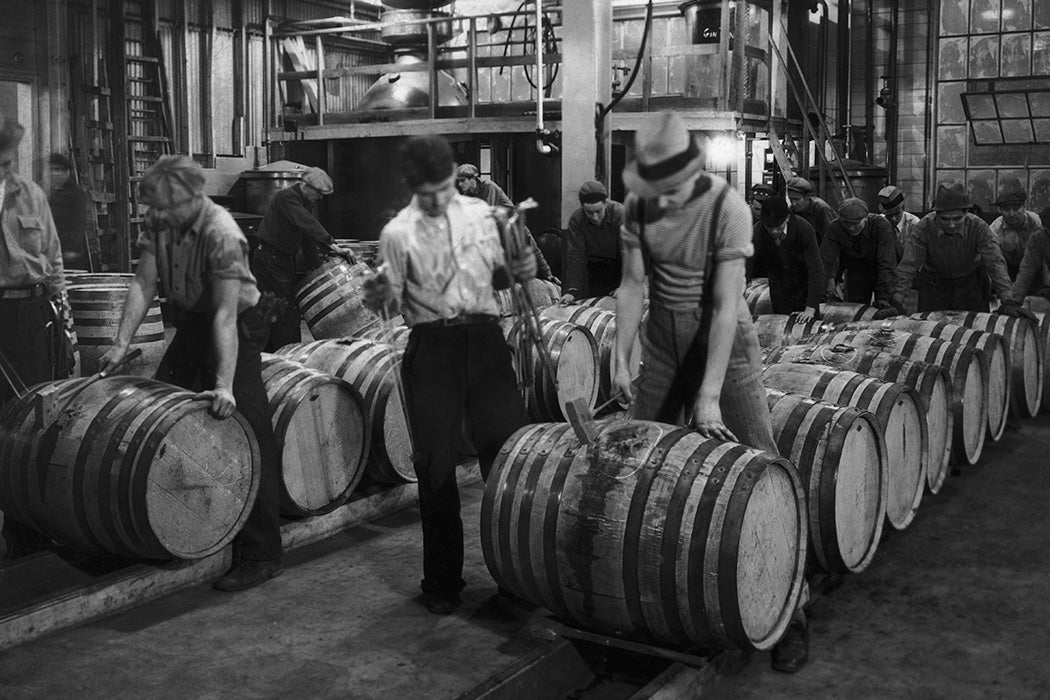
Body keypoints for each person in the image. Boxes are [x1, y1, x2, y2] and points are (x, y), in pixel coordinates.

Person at [611, 111, 809, 674]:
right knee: (643, 469)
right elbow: (630, 285)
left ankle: (792, 611)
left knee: (763, 464)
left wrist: (708, 395)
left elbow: (725, 307)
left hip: (728, 344)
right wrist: (622, 357)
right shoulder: (638, 206)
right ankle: (665, 605)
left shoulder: (729, 208)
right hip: (664, 343)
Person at [362, 135, 536, 615]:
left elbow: (506, 276)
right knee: (434, 465)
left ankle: (516, 576)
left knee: (505, 458)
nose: (439, 198)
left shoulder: (482, 215)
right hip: (432, 345)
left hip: (483, 340)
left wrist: (516, 268)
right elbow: (387, 302)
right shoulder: (397, 232)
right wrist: (378, 293)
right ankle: (442, 582)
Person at [99, 155, 283, 592]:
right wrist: (121, 342)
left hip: (239, 322)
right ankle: (181, 522)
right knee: (162, 414)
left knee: (247, 424)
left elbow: (224, 315)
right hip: (196, 322)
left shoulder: (223, 234)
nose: (154, 217)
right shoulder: (162, 220)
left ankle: (262, 552)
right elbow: (144, 282)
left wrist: (223, 385)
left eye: (162, 208)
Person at [0, 120, 67, 559]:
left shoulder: (31, 195)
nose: (7, 171)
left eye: (9, 161)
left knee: (32, 418)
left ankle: (27, 527)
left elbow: (55, 256)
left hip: (32, 315)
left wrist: (64, 319)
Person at [251, 167, 354, 351]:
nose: (321, 198)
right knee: (285, 311)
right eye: (319, 193)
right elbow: (307, 223)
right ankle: (288, 355)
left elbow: (306, 237)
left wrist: (317, 269)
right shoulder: (287, 198)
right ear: (306, 186)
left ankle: (271, 353)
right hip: (269, 259)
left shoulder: (304, 202)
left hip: (281, 259)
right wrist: (333, 245)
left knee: (278, 309)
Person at [893, 183, 1028, 317]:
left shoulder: (979, 227)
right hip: (935, 287)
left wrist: (1008, 301)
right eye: (945, 219)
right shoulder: (923, 228)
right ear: (936, 214)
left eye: (957, 219)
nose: (951, 225)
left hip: (971, 286)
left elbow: (995, 264)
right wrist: (896, 304)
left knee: (976, 331)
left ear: (966, 213)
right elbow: (908, 266)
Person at [455, 162, 557, 283]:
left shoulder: (489, 187)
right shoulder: (468, 195)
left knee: (529, 248)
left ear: (473, 179)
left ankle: (548, 275)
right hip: (499, 229)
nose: (460, 184)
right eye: (459, 181)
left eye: (463, 181)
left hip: (511, 225)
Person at [748, 195, 824, 319]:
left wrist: (810, 308)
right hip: (779, 290)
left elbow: (816, 270)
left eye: (778, 227)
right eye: (769, 227)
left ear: (787, 218)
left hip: (804, 288)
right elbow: (744, 269)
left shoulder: (804, 229)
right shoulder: (756, 232)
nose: (774, 232)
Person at [819, 198, 898, 310]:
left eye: (855, 224)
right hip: (855, 269)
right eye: (846, 223)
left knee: (887, 308)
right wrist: (820, 294)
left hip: (880, 268)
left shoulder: (881, 225)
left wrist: (884, 297)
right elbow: (825, 261)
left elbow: (887, 263)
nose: (851, 228)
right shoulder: (835, 227)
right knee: (854, 309)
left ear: (865, 218)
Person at [560, 180, 624, 303]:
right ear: (582, 207)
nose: (595, 217)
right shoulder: (577, 220)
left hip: (623, 265)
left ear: (606, 203)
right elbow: (575, 256)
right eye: (589, 212)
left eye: (598, 211)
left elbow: (628, 251)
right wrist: (572, 291)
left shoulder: (620, 214)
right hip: (597, 270)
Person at [990, 186, 1044, 281]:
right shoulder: (994, 230)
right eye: (1006, 209)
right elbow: (995, 262)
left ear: (1024, 207)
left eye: (1016, 209)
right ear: (1000, 210)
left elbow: (1043, 254)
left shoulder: (1036, 222)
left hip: (1034, 269)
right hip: (1007, 270)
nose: (1011, 214)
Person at [47, 153, 91, 269]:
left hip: (70, 254)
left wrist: (72, 249)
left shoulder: (76, 194)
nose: (54, 174)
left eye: (58, 170)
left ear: (67, 173)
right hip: (56, 251)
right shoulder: (55, 194)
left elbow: (79, 223)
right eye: (52, 170)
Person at [786, 176, 836, 244]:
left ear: (807, 197)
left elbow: (830, 239)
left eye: (797, 199)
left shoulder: (821, 209)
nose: (793, 203)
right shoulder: (791, 211)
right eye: (790, 199)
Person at [878, 185, 921, 260]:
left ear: (903, 208)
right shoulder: (879, 223)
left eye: (897, 214)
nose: (894, 219)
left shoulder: (914, 224)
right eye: (889, 215)